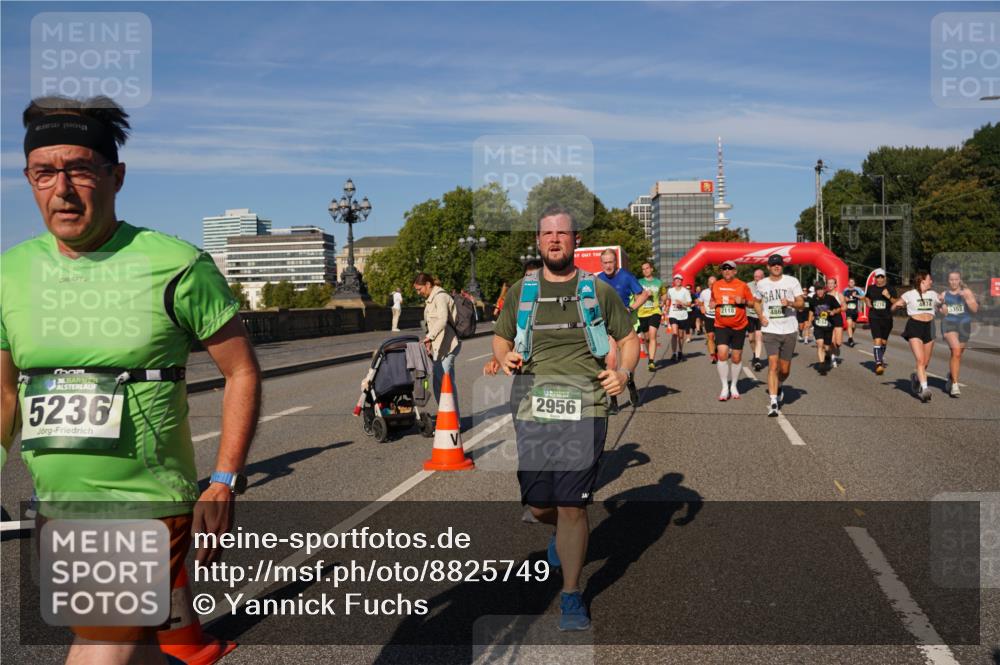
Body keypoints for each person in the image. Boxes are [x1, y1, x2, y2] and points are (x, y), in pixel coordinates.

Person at [1, 96, 262, 665]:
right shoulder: (9, 272)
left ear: (116, 175)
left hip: (143, 501)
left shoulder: (175, 264)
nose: (62, 189)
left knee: (102, 644)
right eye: (45, 172)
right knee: (136, 646)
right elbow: (3, 392)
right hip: (57, 503)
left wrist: (222, 480)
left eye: (80, 169)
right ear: (28, 179)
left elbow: (240, 369)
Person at [492, 205, 637, 631]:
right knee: (539, 505)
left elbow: (628, 339)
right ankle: (558, 534)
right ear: (538, 242)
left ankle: (572, 594)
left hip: (585, 406)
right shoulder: (523, 290)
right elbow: (500, 340)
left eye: (563, 233)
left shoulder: (597, 290)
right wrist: (506, 358)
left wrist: (623, 372)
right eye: (547, 234)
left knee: (572, 504)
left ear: (576, 241)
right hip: (532, 406)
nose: (554, 240)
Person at [597, 249, 647, 409]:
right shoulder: (598, 279)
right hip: (607, 326)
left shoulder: (625, 276)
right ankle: (613, 402)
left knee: (627, 363)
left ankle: (630, 382)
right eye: (605, 262)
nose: (608, 266)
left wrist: (630, 308)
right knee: (610, 362)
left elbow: (643, 295)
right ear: (601, 263)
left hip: (624, 326)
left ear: (615, 262)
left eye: (611, 262)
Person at [756, 254, 805, 417]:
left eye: (779, 264)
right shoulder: (762, 284)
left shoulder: (792, 281)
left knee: (784, 369)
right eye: (773, 264)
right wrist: (760, 316)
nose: (777, 266)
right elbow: (756, 302)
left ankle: (780, 383)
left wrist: (790, 303)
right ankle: (773, 401)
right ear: (768, 267)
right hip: (770, 330)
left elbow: (801, 304)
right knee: (773, 365)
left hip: (789, 329)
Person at [413, 272, 461, 424]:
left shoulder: (440, 296)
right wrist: (429, 340)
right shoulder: (430, 299)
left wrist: (429, 337)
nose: (418, 292)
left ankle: (454, 421)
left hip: (448, 345)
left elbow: (442, 319)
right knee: (437, 383)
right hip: (438, 347)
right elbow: (432, 324)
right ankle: (446, 416)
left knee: (446, 383)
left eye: (419, 289)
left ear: (428, 284)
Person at [710, 261, 759, 401]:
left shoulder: (742, 285)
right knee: (722, 354)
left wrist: (742, 301)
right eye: (724, 269)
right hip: (721, 325)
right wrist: (712, 304)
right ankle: (725, 386)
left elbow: (751, 302)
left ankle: (734, 386)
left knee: (736, 357)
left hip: (739, 325)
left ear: (735, 271)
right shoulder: (716, 285)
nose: (726, 271)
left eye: (729, 269)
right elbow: (712, 301)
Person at [892, 270, 939, 402]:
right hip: (914, 326)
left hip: (930, 327)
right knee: (920, 360)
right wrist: (895, 306)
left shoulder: (933, 294)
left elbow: (942, 305)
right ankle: (925, 389)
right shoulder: (909, 294)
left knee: (926, 363)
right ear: (923, 281)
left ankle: (916, 378)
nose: (932, 282)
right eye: (930, 279)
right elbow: (894, 305)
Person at [940, 269, 979, 397]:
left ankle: (951, 376)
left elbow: (975, 309)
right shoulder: (944, 294)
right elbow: (937, 309)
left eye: (956, 279)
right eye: (951, 280)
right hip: (949, 325)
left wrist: (967, 300)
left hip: (964, 326)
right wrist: (941, 309)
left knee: (957, 354)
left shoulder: (966, 292)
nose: (954, 282)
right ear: (948, 281)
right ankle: (955, 385)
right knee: (956, 351)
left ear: (960, 280)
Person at [863, 268, 897, 375]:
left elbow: (896, 303)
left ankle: (880, 358)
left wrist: (888, 296)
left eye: (882, 277)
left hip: (887, 318)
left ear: (885, 278)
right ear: (875, 278)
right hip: (874, 317)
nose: (880, 279)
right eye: (878, 277)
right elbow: (866, 297)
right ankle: (878, 364)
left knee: (883, 342)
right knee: (877, 340)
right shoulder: (871, 288)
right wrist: (868, 303)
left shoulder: (890, 289)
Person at [806, 281, 842, 375]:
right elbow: (811, 311)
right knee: (819, 344)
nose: (820, 292)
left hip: (828, 326)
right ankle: (822, 365)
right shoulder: (813, 299)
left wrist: (834, 312)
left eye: (821, 289)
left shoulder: (830, 298)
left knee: (827, 347)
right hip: (818, 325)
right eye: (818, 290)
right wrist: (809, 322)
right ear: (815, 291)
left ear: (824, 290)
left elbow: (839, 308)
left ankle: (828, 356)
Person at [636, 262, 664, 371]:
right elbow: (636, 295)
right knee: (647, 338)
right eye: (643, 269)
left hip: (655, 311)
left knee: (652, 335)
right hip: (642, 313)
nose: (645, 271)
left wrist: (663, 301)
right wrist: (644, 295)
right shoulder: (639, 282)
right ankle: (649, 357)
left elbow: (664, 294)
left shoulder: (658, 282)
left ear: (651, 269)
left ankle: (652, 361)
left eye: (647, 268)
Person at [665, 274, 692, 362]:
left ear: (682, 281)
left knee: (681, 336)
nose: (678, 281)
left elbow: (689, 303)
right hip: (673, 314)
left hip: (683, 315)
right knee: (674, 333)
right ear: (674, 281)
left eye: (679, 279)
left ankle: (680, 351)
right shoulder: (670, 290)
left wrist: (682, 304)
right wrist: (666, 307)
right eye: (676, 279)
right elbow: (668, 299)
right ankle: (673, 353)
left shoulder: (685, 291)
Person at [747, 269, 765, 370]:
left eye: (759, 277)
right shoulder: (748, 285)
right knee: (751, 339)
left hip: (761, 315)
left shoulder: (767, 285)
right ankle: (754, 354)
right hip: (749, 314)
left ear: (763, 277)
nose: (757, 279)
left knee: (758, 337)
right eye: (755, 277)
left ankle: (757, 359)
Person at [825, 277, 845, 367]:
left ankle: (831, 353)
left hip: (837, 318)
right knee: (831, 341)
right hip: (828, 319)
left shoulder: (839, 295)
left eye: (832, 283)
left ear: (835, 285)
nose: (830, 285)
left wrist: (836, 311)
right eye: (828, 283)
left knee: (838, 343)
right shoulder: (824, 295)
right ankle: (832, 358)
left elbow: (845, 307)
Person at [699, 276, 718, 363]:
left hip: (720, 317)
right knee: (710, 336)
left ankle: (717, 350)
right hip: (709, 317)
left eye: (713, 284)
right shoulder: (704, 292)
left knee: (719, 338)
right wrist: (702, 307)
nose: (712, 285)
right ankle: (712, 355)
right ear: (708, 284)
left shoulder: (720, 291)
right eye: (710, 284)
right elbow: (700, 302)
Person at [842, 277, 864, 347]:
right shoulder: (845, 290)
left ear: (854, 283)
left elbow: (864, 297)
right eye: (850, 282)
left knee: (853, 326)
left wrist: (856, 296)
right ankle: (851, 339)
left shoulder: (858, 289)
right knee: (849, 324)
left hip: (855, 311)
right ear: (848, 283)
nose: (851, 283)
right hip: (848, 310)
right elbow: (842, 299)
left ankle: (850, 337)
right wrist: (845, 299)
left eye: (852, 282)